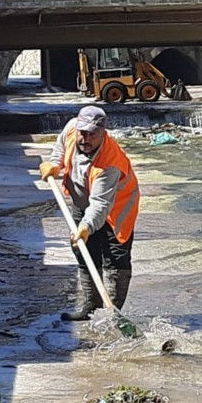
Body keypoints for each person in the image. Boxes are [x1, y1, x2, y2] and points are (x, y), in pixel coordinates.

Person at [39, 106, 140, 321]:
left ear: (103, 133)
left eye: (92, 134)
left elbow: (100, 204)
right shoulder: (71, 129)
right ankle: (90, 307)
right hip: (82, 199)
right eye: (82, 132)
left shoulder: (110, 163)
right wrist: (54, 165)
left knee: (116, 256)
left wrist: (85, 227)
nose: (85, 138)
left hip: (117, 206)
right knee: (83, 251)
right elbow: (60, 149)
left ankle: (113, 314)